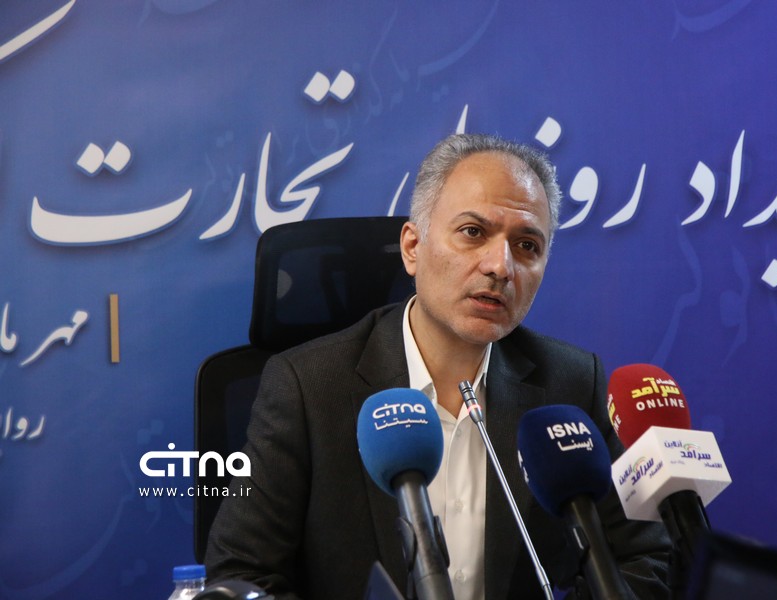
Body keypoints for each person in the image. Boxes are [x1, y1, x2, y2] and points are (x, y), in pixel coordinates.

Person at [205, 133, 672, 599]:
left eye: (527, 245)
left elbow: (643, 558)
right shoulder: (308, 386)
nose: (500, 266)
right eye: (473, 233)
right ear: (413, 247)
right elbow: (242, 574)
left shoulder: (570, 384)